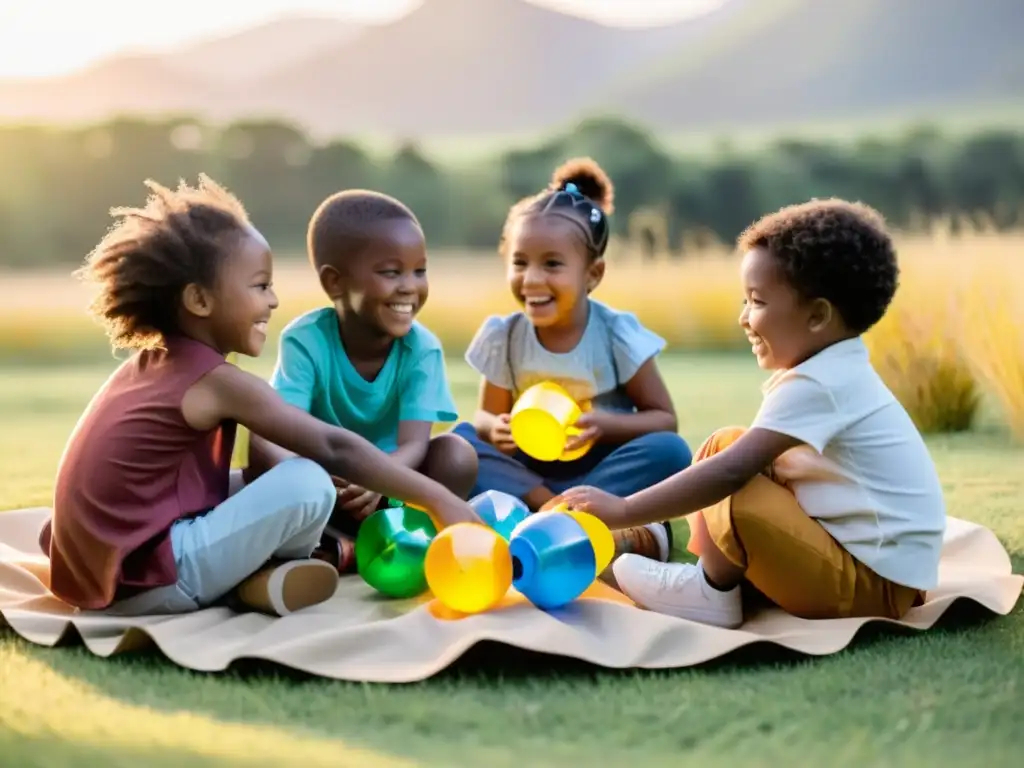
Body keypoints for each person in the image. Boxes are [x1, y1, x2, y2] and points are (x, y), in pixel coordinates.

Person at [39, 175, 480, 619]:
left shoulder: (152, 366)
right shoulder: (217, 380)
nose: (272, 301)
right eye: (259, 285)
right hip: (148, 582)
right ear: (199, 299)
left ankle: (276, 573)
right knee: (305, 480)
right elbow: (333, 446)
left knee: (250, 483)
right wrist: (440, 499)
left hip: (110, 572)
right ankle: (300, 563)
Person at [546, 198, 947, 629]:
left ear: (818, 316)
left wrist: (624, 510)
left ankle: (711, 594)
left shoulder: (821, 384)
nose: (743, 318)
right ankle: (716, 582)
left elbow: (729, 474)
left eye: (756, 301)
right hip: (868, 569)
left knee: (732, 486)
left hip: (873, 587)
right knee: (726, 442)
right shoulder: (833, 369)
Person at [452, 157, 693, 565]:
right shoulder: (505, 335)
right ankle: (552, 509)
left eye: (552, 264)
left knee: (671, 451)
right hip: (528, 475)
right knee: (458, 443)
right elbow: (484, 420)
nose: (531, 280)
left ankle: (565, 511)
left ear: (592, 274)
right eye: (520, 262)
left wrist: (605, 424)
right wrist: (498, 426)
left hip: (601, 470)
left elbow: (663, 419)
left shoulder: (615, 333)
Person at [246, 190, 477, 573]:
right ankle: (328, 541)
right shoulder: (305, 340)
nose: (409, 286)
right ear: (335, 283)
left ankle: (396, 540)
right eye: (391, 272)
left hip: (393, 488)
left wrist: (380, 481)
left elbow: (415, 443)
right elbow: (285, 427)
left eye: (419, 270)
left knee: (457, 453)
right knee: (262, 439)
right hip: (323, 486)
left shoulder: (422, 349)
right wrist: (318, 478)